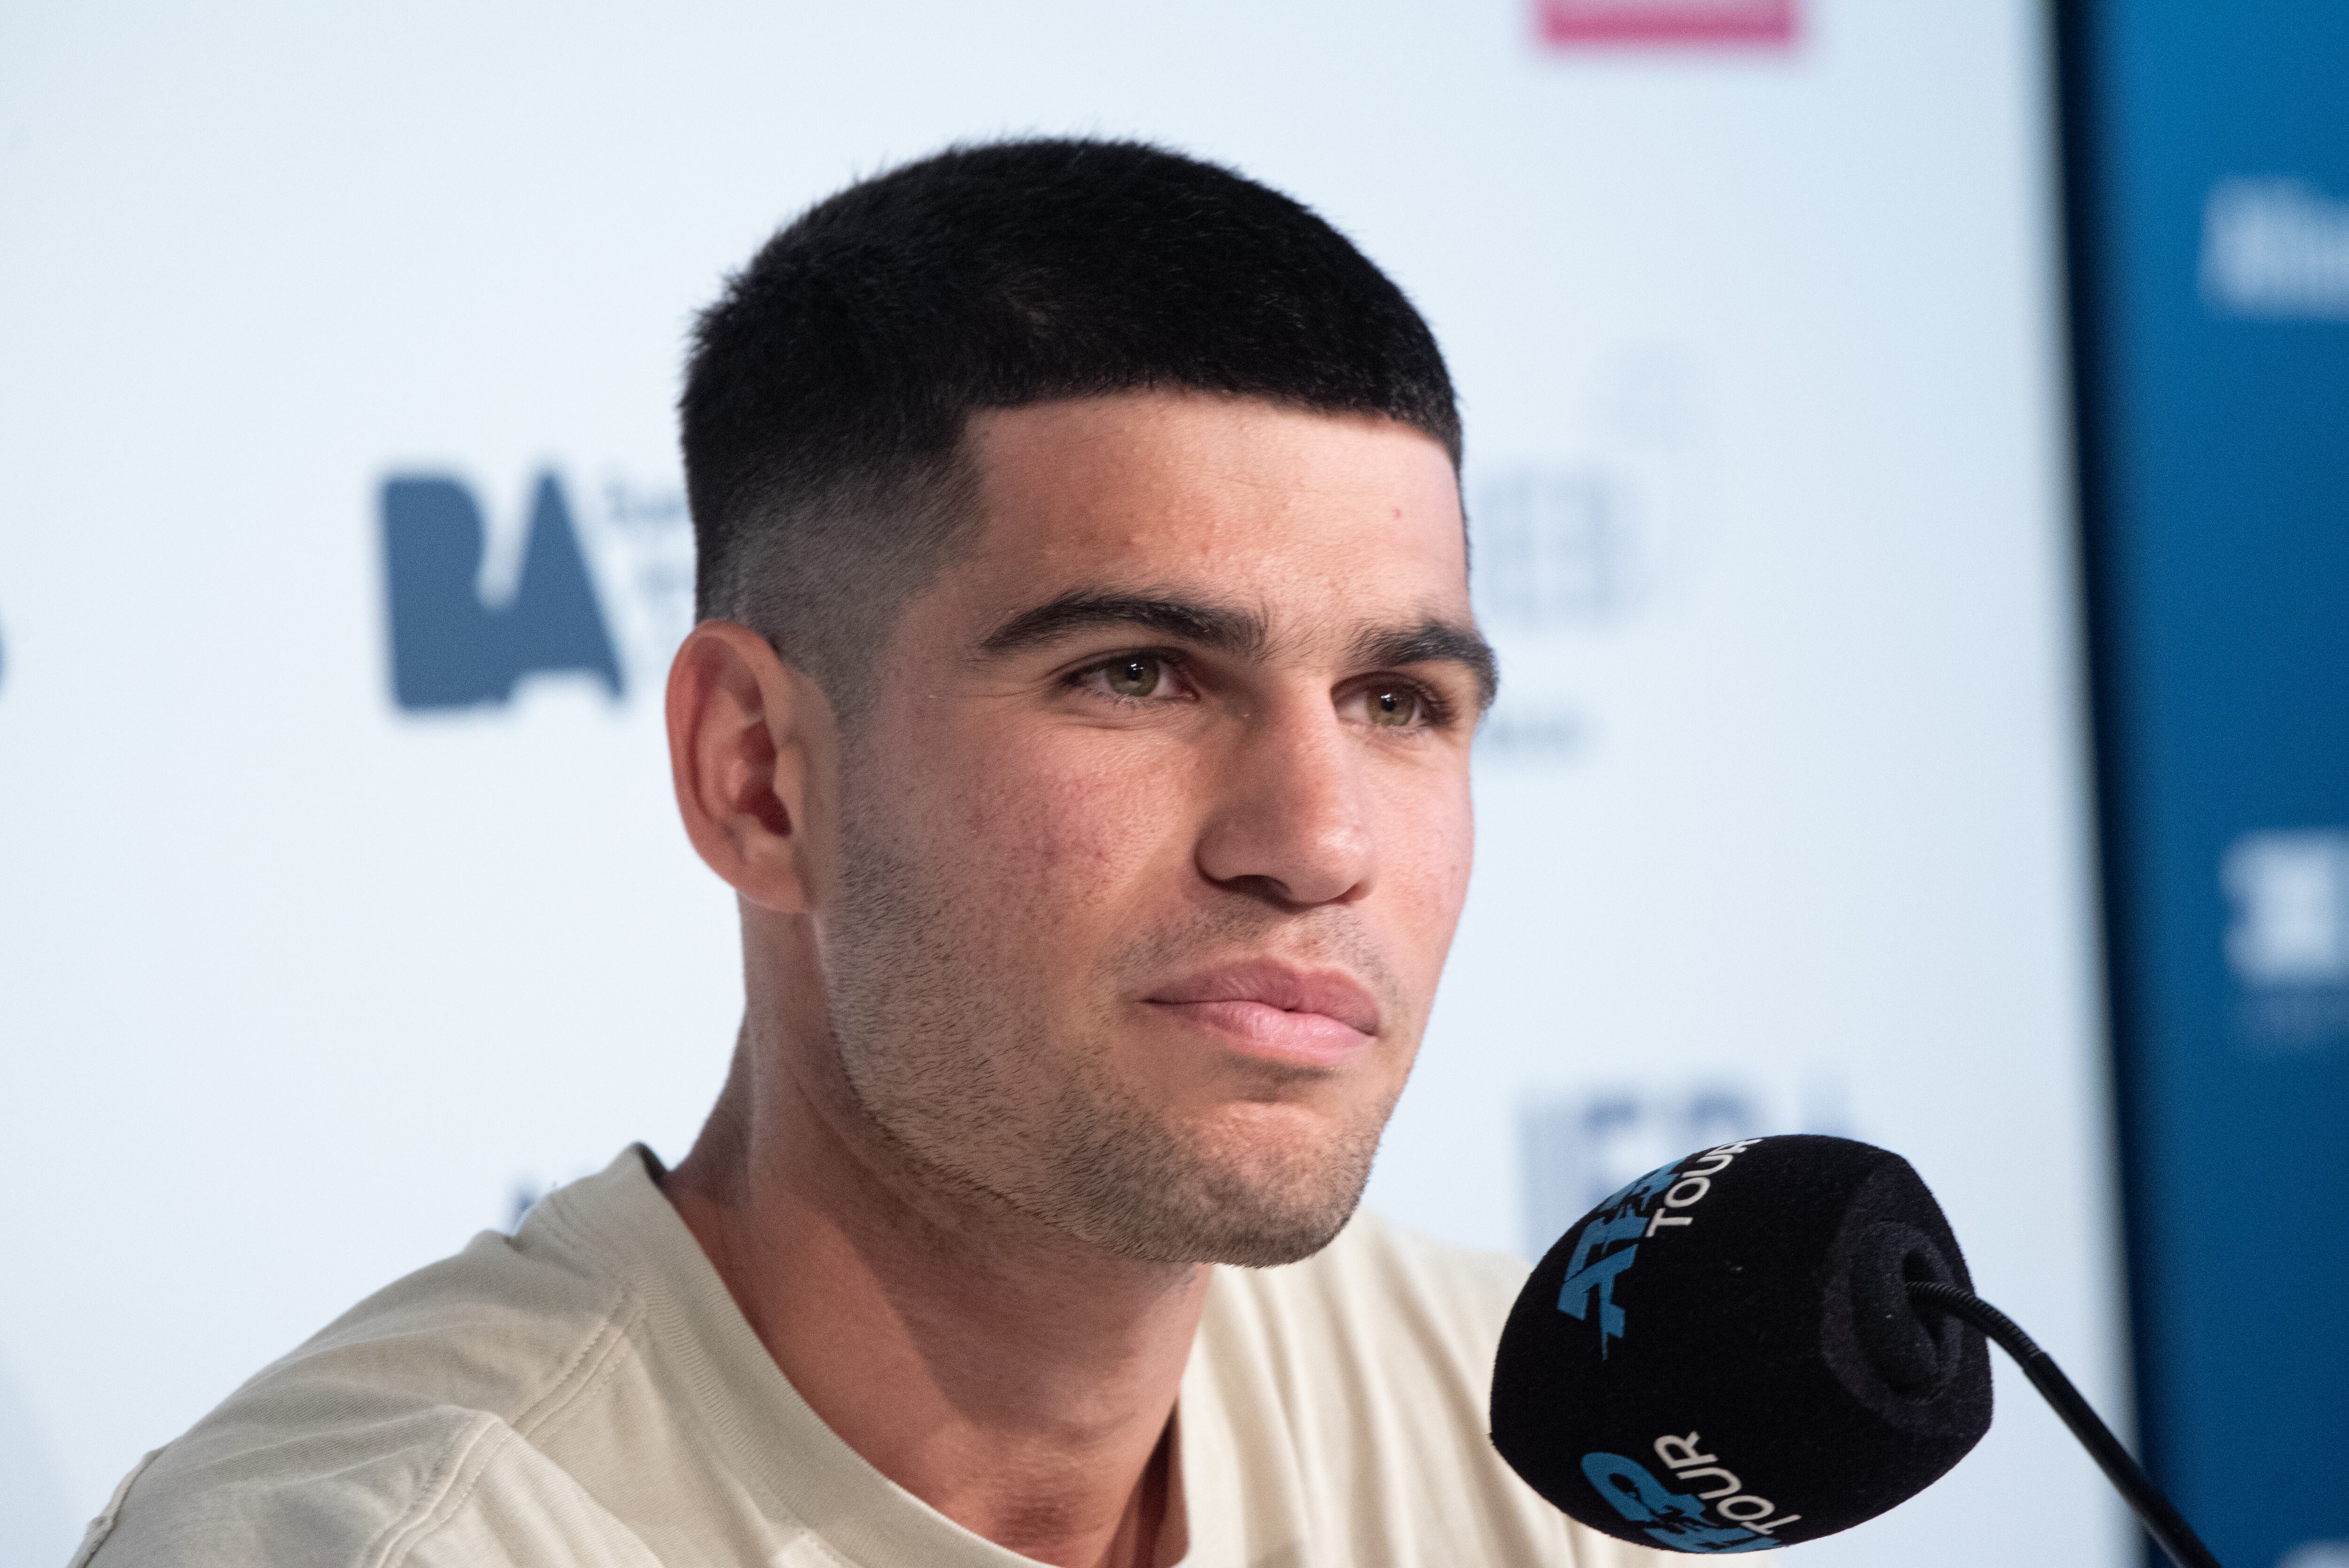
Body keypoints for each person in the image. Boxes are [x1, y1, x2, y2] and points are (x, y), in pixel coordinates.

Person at [74, 139, 1660, 1568]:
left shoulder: (1547, 1452)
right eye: (1136, 674)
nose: (1318, 841)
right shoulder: (370, 1544)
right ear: (759, 775)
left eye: (1399, 699)